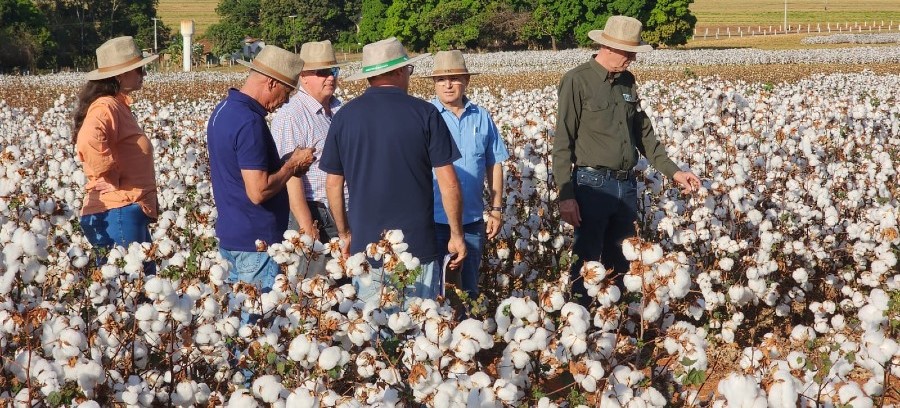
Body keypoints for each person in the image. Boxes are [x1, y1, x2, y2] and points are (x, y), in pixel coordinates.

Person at [551, 16, 701, 306]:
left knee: (622, 260)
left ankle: (612, 324)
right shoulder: (577, 80)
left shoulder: (627, 82)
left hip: (626, 186)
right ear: (607, 47)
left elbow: (644, 135)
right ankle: (579, 321)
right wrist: (565, 195)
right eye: (628, 53)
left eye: (634, 53)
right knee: (587, 262)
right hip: (592, 186)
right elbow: (562, 143)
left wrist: (674, 172)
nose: (632, 59)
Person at [319, 37, 466, 306]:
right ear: (399, 71)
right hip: (418, 246)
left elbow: (332, 185)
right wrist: (457, 235)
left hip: (366, 250)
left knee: (373, 333)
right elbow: (449, 184)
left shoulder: (344, 117)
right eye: (408, 70)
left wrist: (344, 233)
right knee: (422, 337)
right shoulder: (426, 114)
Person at [206, 45, 316, 293]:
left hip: (232, 236)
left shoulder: (222, 111)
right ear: (270, 83)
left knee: (238, 319)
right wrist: (292, 166)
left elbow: (237, 171)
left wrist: (282, 164)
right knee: (258, 323)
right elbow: (258, 191)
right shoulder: (250, 122)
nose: (286, 100)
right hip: (256, 244)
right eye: (287, 91)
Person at [422, 50, 509, 299]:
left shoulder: (482, 117)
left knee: (468, 289)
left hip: (471, 220)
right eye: (441, 80)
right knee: (434, 291)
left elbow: (495, 164)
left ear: (467, 81)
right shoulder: (425, 117)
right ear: (434, 84)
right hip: (433, 221)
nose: (448, 85)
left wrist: (496, 209)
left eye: (455, 78)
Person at [74, 36, 159, 274]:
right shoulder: (106, 106)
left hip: (125, 211)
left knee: (138, 290)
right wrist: (109, 173)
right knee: (129, 291)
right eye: (139, 69)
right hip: (118, 212)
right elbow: (89, 139)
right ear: (120, 75)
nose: (144, 74)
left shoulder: (117, 105)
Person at [271, 40, 348, 278]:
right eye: (322, 72)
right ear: (303, 76)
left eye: (333, 71)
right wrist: (307, 228)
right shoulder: (291, 116)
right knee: (319, 289)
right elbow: (291, 175)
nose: (330, 78)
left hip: (342, 213)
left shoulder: (338, 108)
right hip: (316, 214)